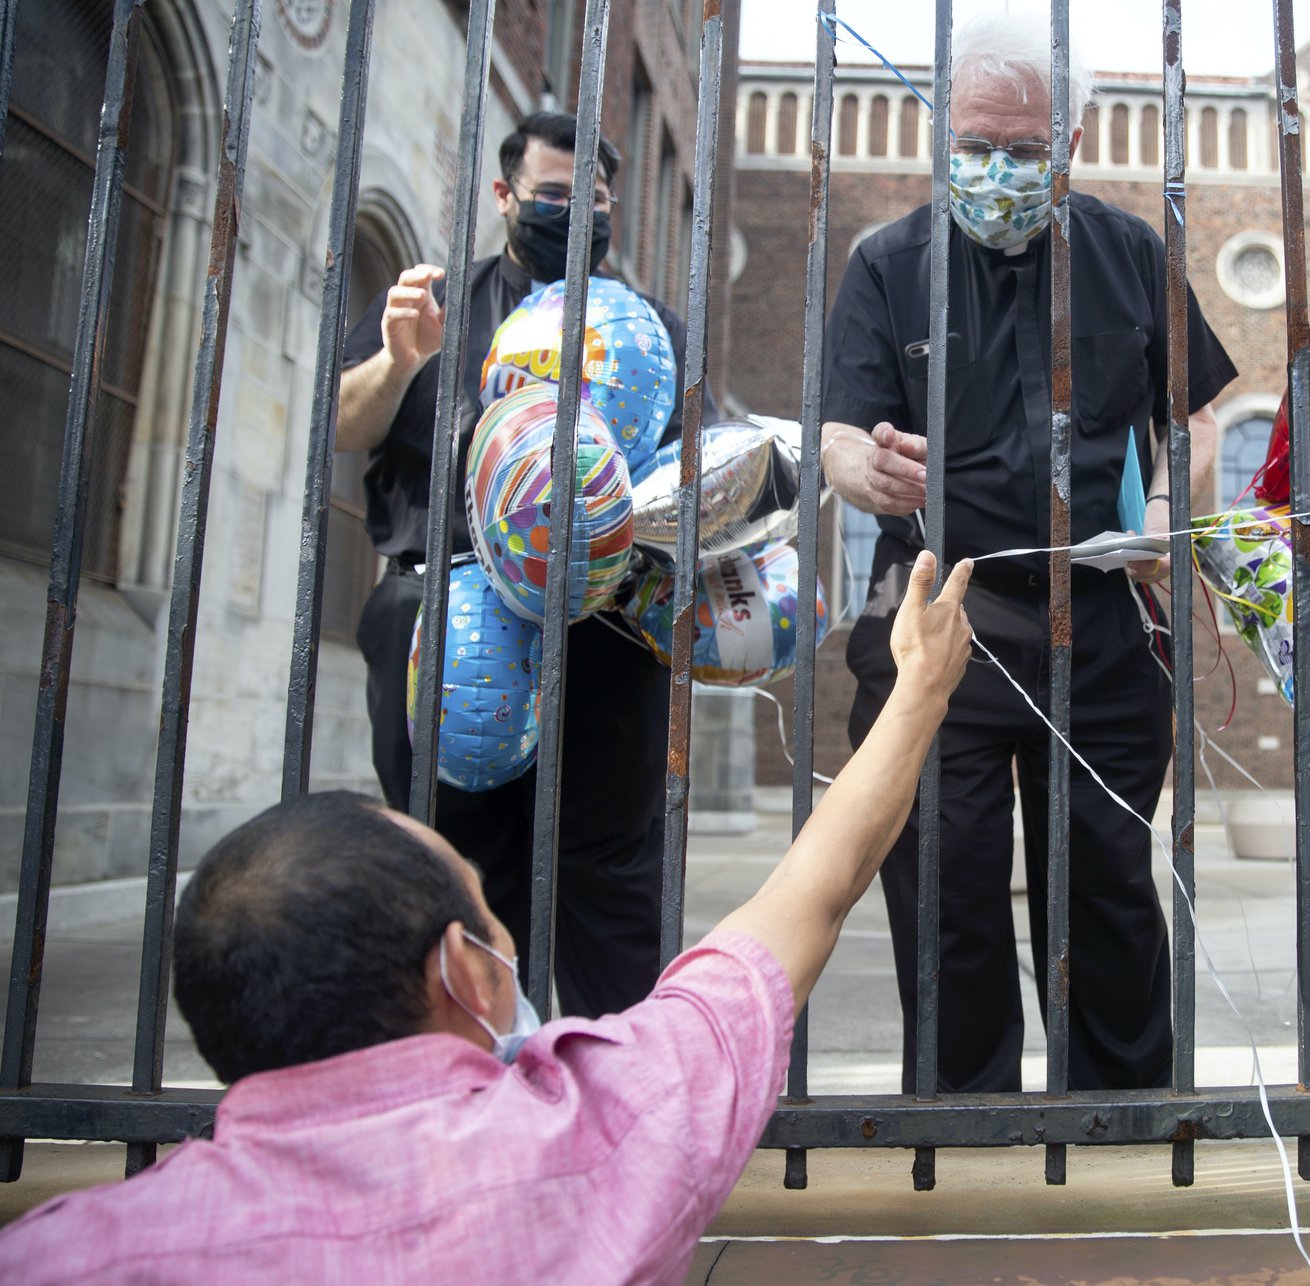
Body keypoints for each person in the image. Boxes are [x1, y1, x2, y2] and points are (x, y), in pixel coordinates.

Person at [0, 555, 975, 1282]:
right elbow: (810, 890)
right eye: (484, 910)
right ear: (465, 969)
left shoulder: (67, 1250)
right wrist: (920, 690)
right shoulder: (597, 1137)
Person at [820, 11, 1238, 1095]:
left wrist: (1166, 512)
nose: (994, 169)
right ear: (937, 134)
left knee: (1102, 879)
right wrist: (862, 467)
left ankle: (1121, 1114)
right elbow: (833, 434)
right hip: (934, 611)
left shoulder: (1130, 252)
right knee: (944, 884)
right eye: (974, 144)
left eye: (1021, 149)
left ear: (1072, 143)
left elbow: (1193, 419)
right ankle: (963, 1124)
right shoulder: (885, 261)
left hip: (1096, 611)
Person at [338, 111, 710, 1019]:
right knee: (455, 877)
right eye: (554, 195)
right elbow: (345, 426)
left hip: (606, 627)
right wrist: (398, 360)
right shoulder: (438, 307)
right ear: (504, 196)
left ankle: (622, 1105)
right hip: (445, 612)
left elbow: (685, 476)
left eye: (597, 199)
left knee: (613, 882)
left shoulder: (647, 328)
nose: (579, 213)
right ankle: (478, 1095)